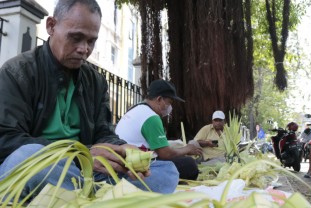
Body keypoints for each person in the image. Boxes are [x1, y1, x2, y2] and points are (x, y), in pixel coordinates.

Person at [0, 0, 179, 200]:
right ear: (51, 26)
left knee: (166, 171)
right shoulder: (18, 72)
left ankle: (80, 196)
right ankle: (98, 196)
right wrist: (81, 156)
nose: (84, 49)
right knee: (28, 156)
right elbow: (6, 140)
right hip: (44, 166)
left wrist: (122, 149)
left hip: (87, 174)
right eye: (75, 38)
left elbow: (103, 134)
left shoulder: (95, 81)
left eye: (91, 41)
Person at [115, 79, 202, 180]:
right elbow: (166, 154)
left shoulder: (136, 109)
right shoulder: (151, 117)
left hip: (123, 163)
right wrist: (187, 149)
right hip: (135, 168)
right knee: (189, 164)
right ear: (159, 99)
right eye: (169, 103)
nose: (170, 108)